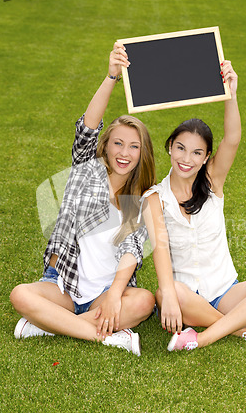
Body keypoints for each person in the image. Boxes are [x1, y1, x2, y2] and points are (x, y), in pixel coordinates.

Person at [10, 43, 156, 356]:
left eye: (133, 146)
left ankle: (48, 325)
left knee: (144, 301)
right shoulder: (86, 172)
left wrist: (116, 294)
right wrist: (111, 77)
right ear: (106, 145)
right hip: (64, 285)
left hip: (106, 292)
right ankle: (101, 333)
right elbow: (87, 129)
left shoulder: (140, 197)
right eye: (117, 143)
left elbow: (132, 248)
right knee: (21, 295)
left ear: (142, 153)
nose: (123, 153)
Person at [142, 60, 246, 351]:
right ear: (170, 146)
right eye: (181, 148)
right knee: (166, 292)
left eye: (197, 152)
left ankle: (203, 337)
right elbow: (160, 250)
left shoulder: (212, 182)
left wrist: (231, 94)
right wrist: (169, 298)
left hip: (226, 292)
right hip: (187, 297)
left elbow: (233, 139)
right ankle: (241, 329)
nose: (187, 159)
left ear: (206, 156)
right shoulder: (154, 197)